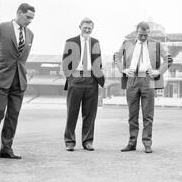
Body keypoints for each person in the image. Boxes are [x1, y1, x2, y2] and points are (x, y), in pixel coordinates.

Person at [0, 3, 35, 160]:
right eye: (27, 17)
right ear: (19, 13)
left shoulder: (30, 34)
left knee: (13, 115)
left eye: (32, 18)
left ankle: (6, 148)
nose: (30, 21)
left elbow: (21, 59)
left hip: (19, 80)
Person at [114, 21, 172, 153]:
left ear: (149, 33)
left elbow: (169, 59)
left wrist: (158, 71)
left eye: (146, 35)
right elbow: (116, 57)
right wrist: (123, 69)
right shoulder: (126, 43)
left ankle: (147, 143)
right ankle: (132, 142)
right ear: (136, 32)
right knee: (132, 115)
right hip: (131, 79)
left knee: (148, 115)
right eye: (141, 35)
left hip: (149, 79)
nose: (143, 37)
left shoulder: (157, 44)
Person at [62, 18, 105, 151]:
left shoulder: (95, 42)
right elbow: (65, 62)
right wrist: (70, 78)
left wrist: (99, 78)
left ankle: (87, 141)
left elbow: (98, 62)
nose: (87, 30)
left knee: (90, 113)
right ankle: (70, 141)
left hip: (91, 79)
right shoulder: (70, 42)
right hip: (76, 78)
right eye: (85, 27)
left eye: (89, 28)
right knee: (72, 112)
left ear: (92, 28)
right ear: (80, 27)